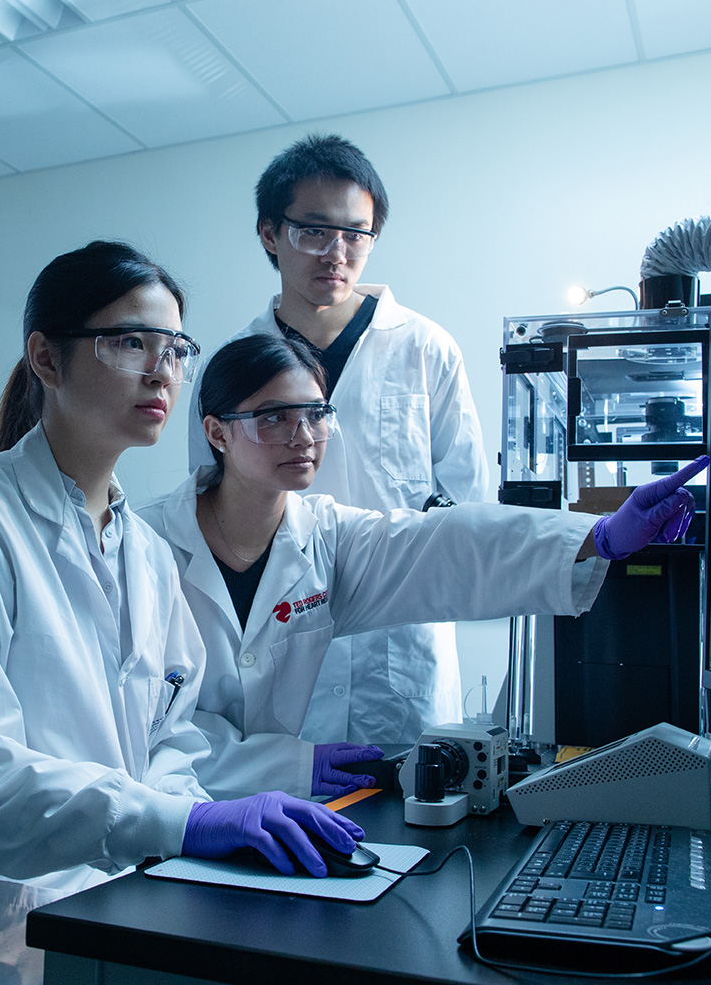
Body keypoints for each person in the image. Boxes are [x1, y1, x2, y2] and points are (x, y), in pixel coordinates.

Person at [0, 243, 364, 985]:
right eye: (130, 342)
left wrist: (201, 823)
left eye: (175, 349)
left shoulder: (148, 553)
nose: (162, 370)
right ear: (47, 358)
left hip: (120, 894)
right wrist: (179, 825)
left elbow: (170, 737)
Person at [158, 333, 708, 800]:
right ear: (217, 432)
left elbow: (446, 545)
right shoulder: (147, 544)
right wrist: (278, 767)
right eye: (274, 417)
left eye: (316, 415)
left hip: (274, 813)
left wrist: (598, 535)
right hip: (149, 830)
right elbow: (141, 729)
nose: (303, 437)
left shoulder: (323, 537)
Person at [188, 132, 487, 752]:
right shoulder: (230, 367)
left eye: (357, 234)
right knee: (290, 825)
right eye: (314, 231)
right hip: (281, 642)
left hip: (400, 652)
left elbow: (467, 502)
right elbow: (211, 514)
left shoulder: (426, 348)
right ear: (270, 233)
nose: (338, 253)